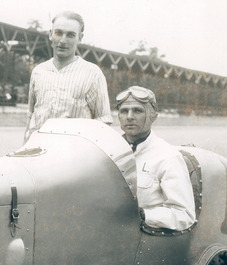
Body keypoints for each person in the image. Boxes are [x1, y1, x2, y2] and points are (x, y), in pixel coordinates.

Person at [24, 11, 112, 142]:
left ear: (80, 37)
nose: (63, 41)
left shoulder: (92, 73)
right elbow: (31, 117)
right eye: (58, 33)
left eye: (71, 35)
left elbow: (103, 122)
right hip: (38, 151)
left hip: (74, 155)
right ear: (50, 34)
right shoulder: (39, 71)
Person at [116, 85, 196, 231]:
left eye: (138, 111)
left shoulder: (167, 157)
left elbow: (184, 215)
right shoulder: (110, 151)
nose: (129, 116)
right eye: (124, 111)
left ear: (153, 116)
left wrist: (144, 215)